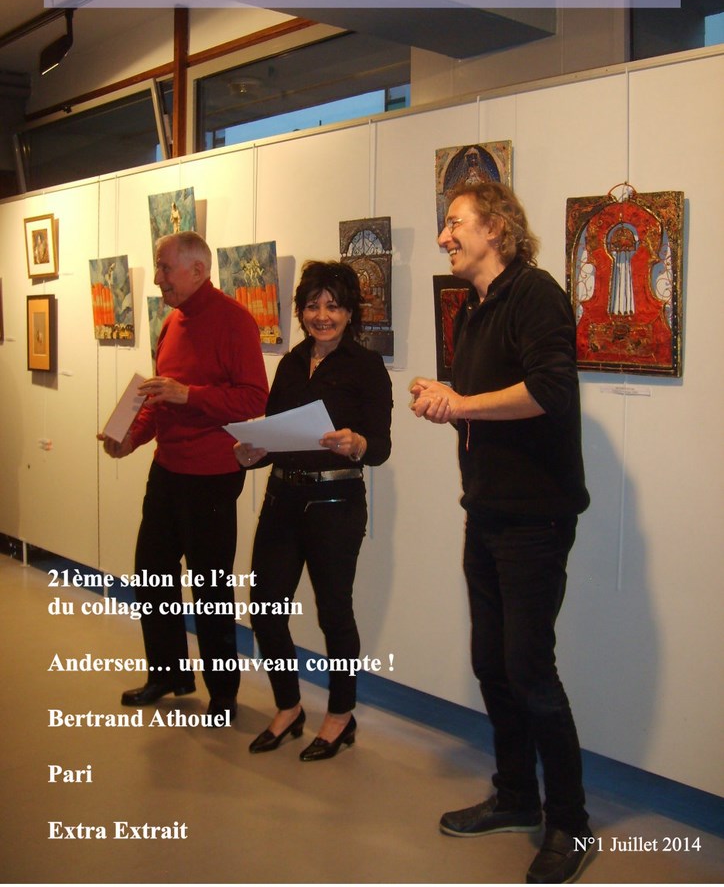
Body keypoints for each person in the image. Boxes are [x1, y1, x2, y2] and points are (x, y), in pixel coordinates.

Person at [410, 182, 593, 885]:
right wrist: (444, 403)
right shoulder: (474, 310)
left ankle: (570, 824)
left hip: (534, 520)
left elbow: (550, 390)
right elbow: (481, 409)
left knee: (529, 671)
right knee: (492, 664)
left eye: (455, 223)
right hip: (485, 512)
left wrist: (461, 403)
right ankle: (517, 796)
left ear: (496, 228)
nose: (444, 237)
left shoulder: (535, 294)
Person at [98, 232, 268, 724]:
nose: (157, 278)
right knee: (152, 574)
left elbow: (254, 398)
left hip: (213, 475)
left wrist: (188, 395)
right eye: (157, 267)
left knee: (211, 589)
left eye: (164, 267)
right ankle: (168, 674)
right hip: (167, 470)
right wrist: (130, 439)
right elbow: (159, 400)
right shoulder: (171, 322)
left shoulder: (235, 321)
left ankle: (223, 694)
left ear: (198, 270)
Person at [235, 261, 392, 761]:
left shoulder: (366, 365)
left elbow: (381, 446)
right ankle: (288, 707)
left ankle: (341, 715)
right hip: (282, 499)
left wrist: (356, 443)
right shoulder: (289, 363)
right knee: (265, 609)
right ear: (301, 311)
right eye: (312, 306)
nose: (322, 315)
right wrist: (254, 451)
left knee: (334, 613)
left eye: (333, 306)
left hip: (335, 503)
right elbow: (278, 436)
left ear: (350, 312)